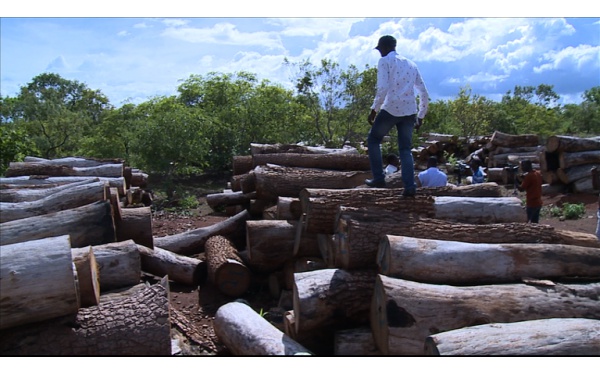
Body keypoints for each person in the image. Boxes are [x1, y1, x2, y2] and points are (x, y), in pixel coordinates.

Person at [365, 35, 429, 197]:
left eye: (380, 49)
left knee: (373, 140)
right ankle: (410, 187)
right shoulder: (411, 64)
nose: (379, 52)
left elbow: (383, 88)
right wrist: (421, 115)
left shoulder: (385, 61)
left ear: (385, 48)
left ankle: (379, 178)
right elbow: (423, 92)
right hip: (409, 111)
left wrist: (374, 109)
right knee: (405, 150)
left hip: (391, 108)